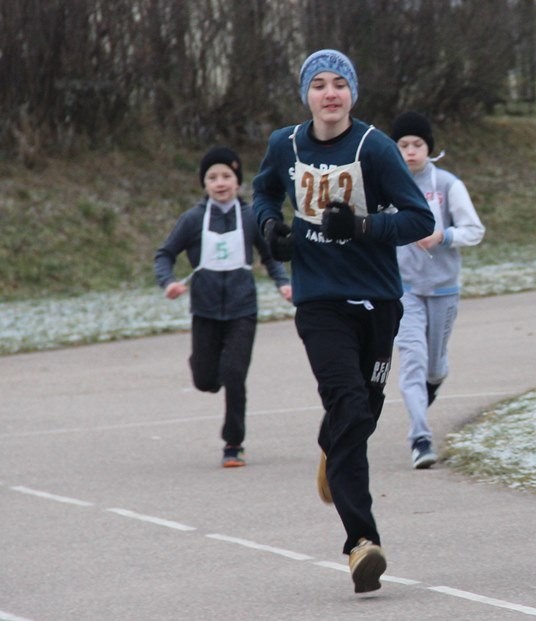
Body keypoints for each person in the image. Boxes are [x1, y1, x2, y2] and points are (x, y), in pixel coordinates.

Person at [251, 49, 434, 594]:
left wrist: (361, 225)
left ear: (352, 93)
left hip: (377, 299)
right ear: (305, 94)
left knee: (361, 417)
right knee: (349, 404)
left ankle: (332, 446)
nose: (329, 94)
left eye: (339, 85)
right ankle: (361, 543)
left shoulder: (374, 148)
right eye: (319, 85)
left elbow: (418, 218)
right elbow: (262, 191)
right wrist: (270, 227)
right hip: (320, 300)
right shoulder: (284, 145)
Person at [154, 146, 292, 468]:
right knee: (206, 379)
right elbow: (164, 254)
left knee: (234, 373)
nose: (220, 183)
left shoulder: (249, 217)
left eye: (226, 176)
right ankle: (205, 368)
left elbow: (270, 255)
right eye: (212, 177)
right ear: (204, 183)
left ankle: (233, 443)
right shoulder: (192, 219)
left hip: (243, 308)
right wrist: (168, 282)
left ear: (238, 181)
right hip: (204, 309)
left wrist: (283, 282)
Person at [390, 111, 485, 470]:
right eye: (403, 145)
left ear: (429, 148)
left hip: (444, 290)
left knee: (433, 367)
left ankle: (434, 383)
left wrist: (443, 236)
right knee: (411, 363)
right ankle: (420, 438)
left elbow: (474, 230)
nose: (411, 151)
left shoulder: (447, 185)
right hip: (404, 290)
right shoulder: (387, 185)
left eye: (417, 144)